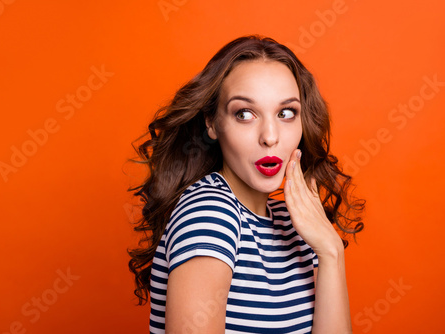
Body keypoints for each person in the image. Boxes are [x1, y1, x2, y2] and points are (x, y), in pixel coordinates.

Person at [127, 35, 365, 334]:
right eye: (245, 114)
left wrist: (331, 252)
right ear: (212, 123)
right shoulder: (210, 214)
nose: (270, 136)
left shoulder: (296, 224)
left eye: (285, 113)